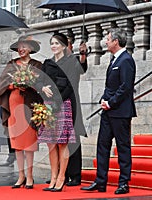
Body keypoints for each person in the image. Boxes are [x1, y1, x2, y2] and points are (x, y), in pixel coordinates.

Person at [81, 28, 136, 194]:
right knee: (102, 146)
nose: (105, 41)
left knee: (123, 147)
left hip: (120, 112)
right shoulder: (114, 60)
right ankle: (100, 182)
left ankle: (124, 183)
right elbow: (110, 86)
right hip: (108, 111)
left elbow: (126, 87)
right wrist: (103, 100)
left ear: (115, 42)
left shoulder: (126, 60)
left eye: (108, 39)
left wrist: (110, 102)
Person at [37, 33, 83, 192]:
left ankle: (62, 177)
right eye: (52, 43)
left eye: (57, 43)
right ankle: (54, 176)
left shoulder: (71, 62)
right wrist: (42, 88)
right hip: (48, 106)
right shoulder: (47, 63)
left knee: (62, 142)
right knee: (51, 144)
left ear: (64, 45)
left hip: (63, 105)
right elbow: (39, 81)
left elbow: (71, 86)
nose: (54, 46)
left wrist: (57, 102)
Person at [0, 35, 42, 189]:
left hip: (29, 105)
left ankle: (29, 175)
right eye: (19, 47)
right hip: (13, 105)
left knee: (28, 143)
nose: (21, 49)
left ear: (30, 49)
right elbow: (2, 83)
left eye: (25, 46)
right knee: (17, 144)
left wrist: (30, 83)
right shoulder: (11, 64)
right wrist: (13, 84)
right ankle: (20, 175)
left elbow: (42, 84)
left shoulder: (37, 65)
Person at [65, 36, 88, 187]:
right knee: (60, 141)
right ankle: (61, 173)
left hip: (72, 102)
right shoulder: (54, 61)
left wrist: (83, 55)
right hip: (58, 104)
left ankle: (75, 175)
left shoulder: (74, 60)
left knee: (73, 140)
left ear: (71, 47)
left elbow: (82, 67)